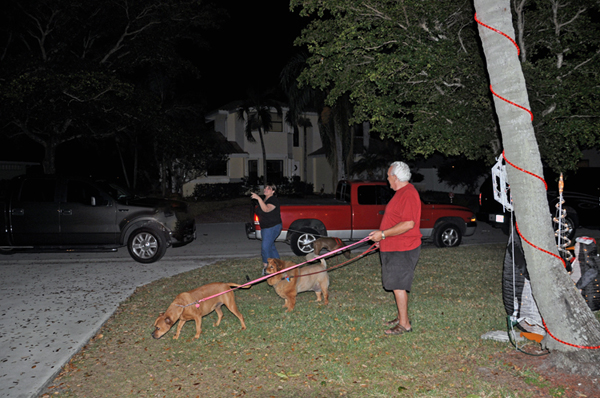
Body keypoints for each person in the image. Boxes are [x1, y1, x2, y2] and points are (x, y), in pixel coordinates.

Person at [368, 161, 422, 335]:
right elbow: (396, 220)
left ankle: (404, 325)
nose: (387, 179)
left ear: (395, 177)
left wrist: (383, 234)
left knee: (399, 286)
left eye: (388, 176)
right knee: (395, 285)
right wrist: (382, 239)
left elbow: (408, 224)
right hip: (393, 246)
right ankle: (401, 317)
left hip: (403, 248)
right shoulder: (401, 193)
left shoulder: (408, 194)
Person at [251, 184, 283, 271]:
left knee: (265, 247)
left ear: (273, 191)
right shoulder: (265, 200)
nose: (265, 189)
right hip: (265, 227)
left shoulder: (273, 200)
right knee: (270, 246)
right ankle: (280, 266)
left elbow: (266, 209)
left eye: (269, 188)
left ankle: (266, 268)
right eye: (265, 188)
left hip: (272, 227)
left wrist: (258, 198)